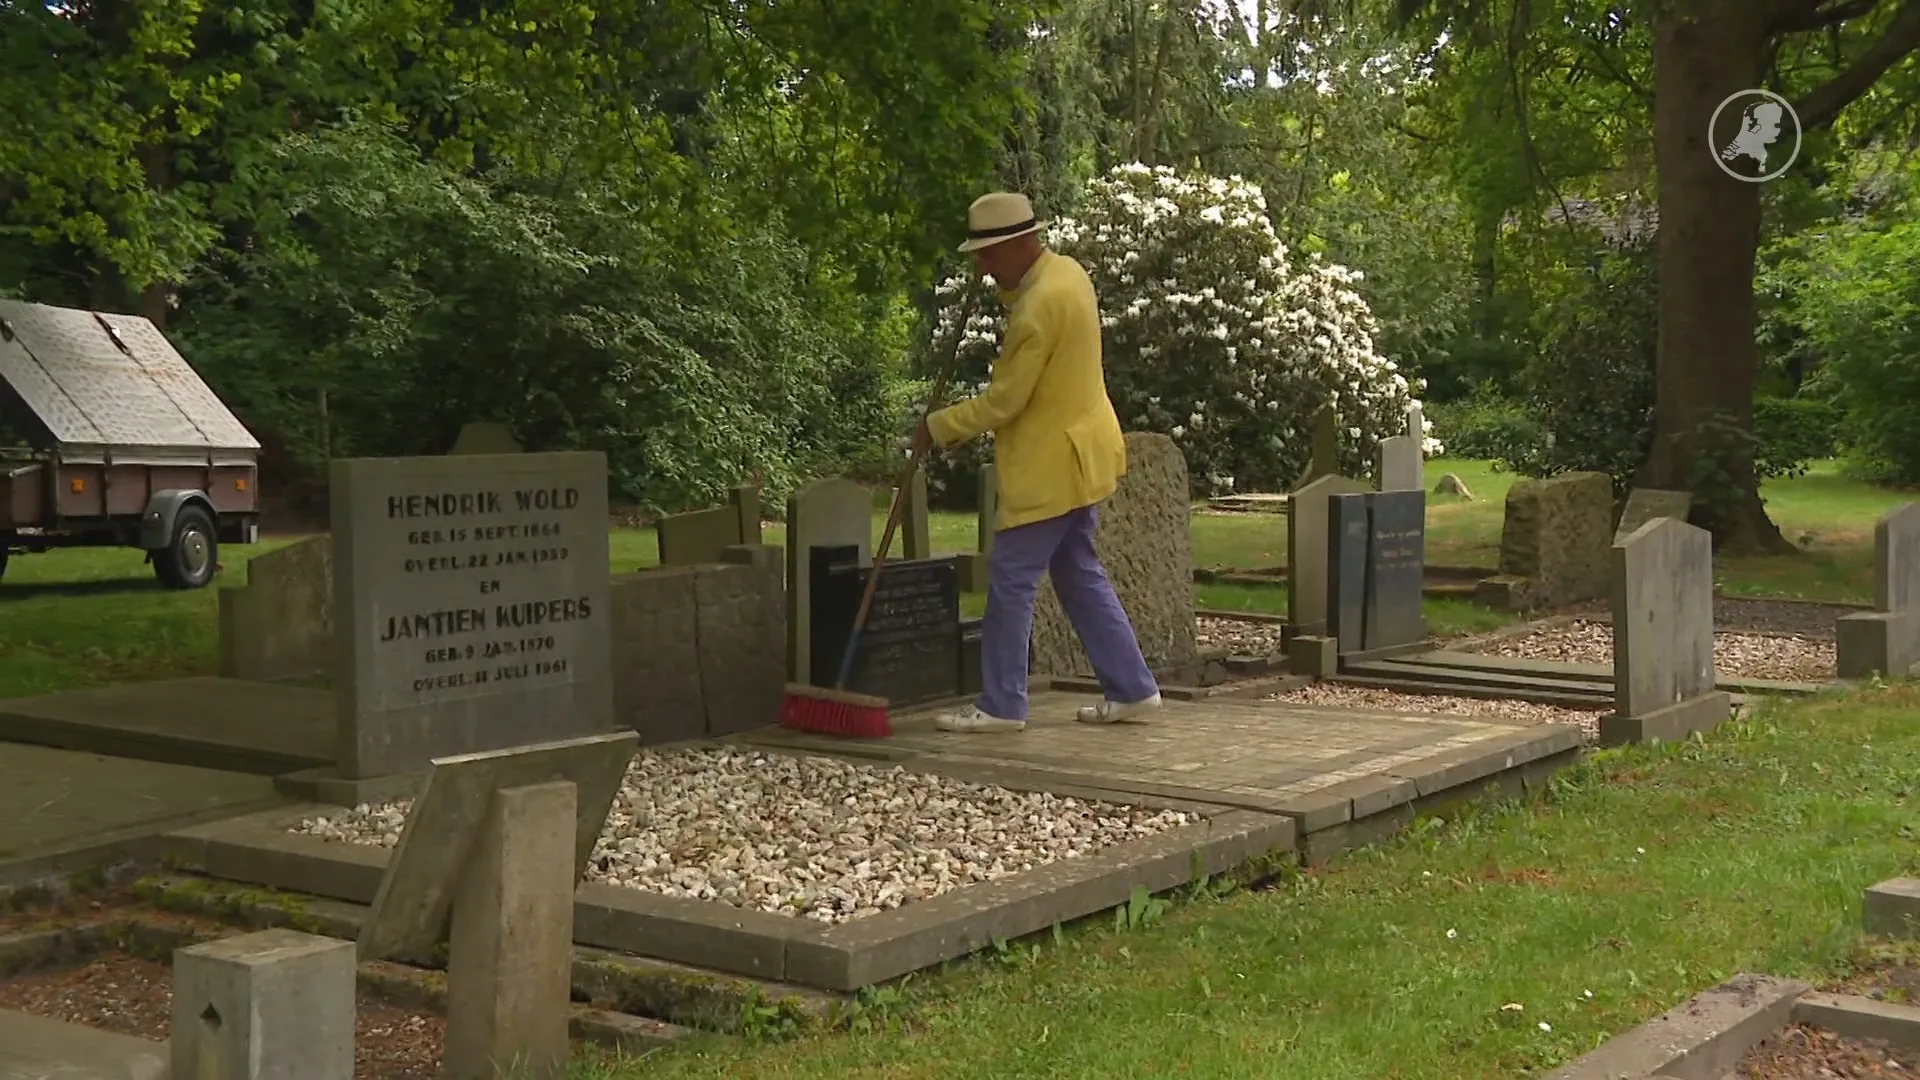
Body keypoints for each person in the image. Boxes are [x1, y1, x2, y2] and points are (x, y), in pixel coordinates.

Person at [910, 191, 1161, 734]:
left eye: (988, 254)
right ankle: (1133, 688)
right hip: (1082, 453)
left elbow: (1004, 402)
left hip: (1051, 466)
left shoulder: (1036, 308)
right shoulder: (1067, 274)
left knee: (1012, 578)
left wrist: (935, 427)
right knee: (1077, 573)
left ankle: (1002, 703)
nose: (982, 265)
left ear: (1019, 243)